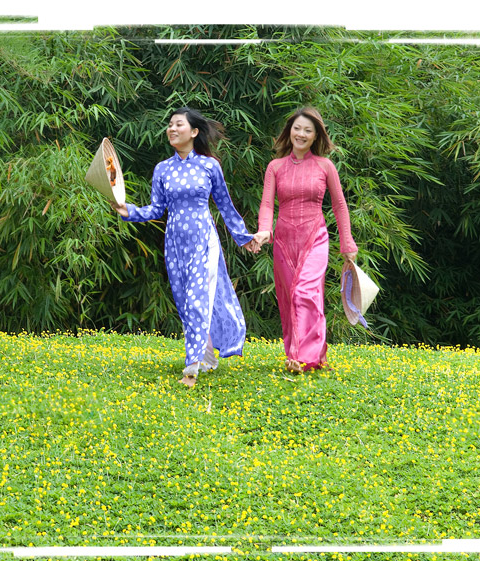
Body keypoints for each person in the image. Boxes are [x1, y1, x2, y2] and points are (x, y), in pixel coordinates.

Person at [111, 107, 262, 387]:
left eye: (178, 124)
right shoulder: (162, 169)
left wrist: (243, 236)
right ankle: (206, 356)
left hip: (203, 241)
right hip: (175, 244)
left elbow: (225, 205)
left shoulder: (209, 166)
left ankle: (191, 369)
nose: (171, 129)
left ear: (193, 132)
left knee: (196, 300)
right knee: (185, 303)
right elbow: (156, 209)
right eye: (170, 125)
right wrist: (128, 210)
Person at [252, 107, 358, 373]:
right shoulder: (275, 166)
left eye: (307, 130)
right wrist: (264, 230)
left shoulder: (325, 166)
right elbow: (267, 204)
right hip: (283, 241)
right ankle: (308, 354)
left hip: (315, 238)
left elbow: (340, 206)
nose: (301, 134)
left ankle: (302, 358)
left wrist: (347, 244)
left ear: (316, 136)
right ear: (289, 131)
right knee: (289, 298)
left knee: (305, 293)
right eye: (297, 128)